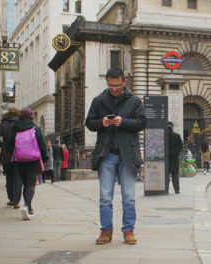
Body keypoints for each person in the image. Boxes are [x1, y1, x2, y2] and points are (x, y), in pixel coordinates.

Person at [85, 68, 146, 245]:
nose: (114, 89)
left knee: (129, 197)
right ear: (107, 82)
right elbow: (89, 123)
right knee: (105, 197)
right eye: (111, 85)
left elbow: (142, 122)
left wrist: (124, 122)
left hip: (128, 154)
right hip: (106, 155)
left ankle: (128, 231)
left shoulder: (135, 101)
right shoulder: (99, 100)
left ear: (124, 82)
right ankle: (106, 231)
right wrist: (101, 123)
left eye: (117, 85)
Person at [6, 108, 48, 220]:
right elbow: (43, 146)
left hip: (19, 161)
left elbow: (9, 144)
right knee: (30, 184)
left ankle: (27, 206)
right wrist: (44, 158)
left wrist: (16, 153)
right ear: (31, 117)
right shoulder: (36, 129)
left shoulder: (15, 128)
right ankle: (27, 206)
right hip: (33, 161)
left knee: (22, 182)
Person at [0, 107, 20, 208]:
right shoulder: (21, 122)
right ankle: (16, 201)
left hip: (6, 155)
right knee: (18, 178)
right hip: (19, 154)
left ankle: (11, 199)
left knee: (9, 177)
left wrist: (1, 145)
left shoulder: (4, 123)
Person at [167, 122, 183, 194]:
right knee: (175, 175)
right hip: (174, 158)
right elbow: (180, 147)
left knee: (165, 175)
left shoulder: (163, 136)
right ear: (172, 127)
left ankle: (166, 189)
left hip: (165, 158)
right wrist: (176, 153)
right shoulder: (177, 136)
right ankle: (176, 190)